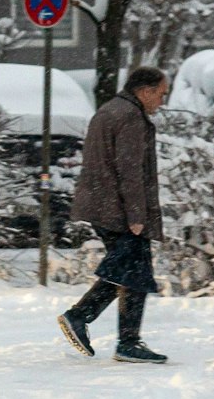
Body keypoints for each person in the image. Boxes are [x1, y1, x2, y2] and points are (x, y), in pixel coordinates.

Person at [59, 65, 170, 363]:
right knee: (134, 271)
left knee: (129, 271)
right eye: (161, 94)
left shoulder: (111, 110)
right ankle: (95, 324)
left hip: (103, 203)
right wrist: (137, 215)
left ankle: (112, 333)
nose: (162, 101)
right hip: (118, 209)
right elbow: (129, 169)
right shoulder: (130, 117)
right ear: (144, 91)